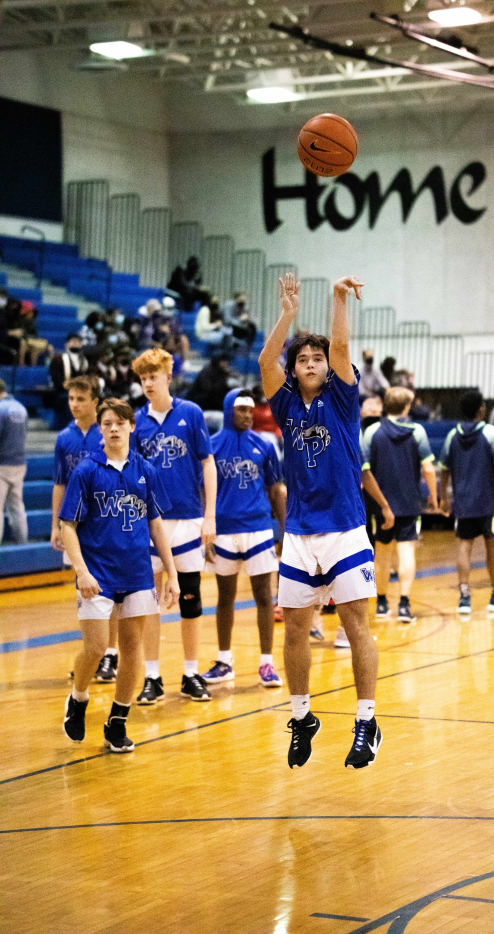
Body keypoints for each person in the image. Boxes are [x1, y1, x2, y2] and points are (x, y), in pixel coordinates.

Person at [259, 272, 382, 771]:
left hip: (346, 528)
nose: (310, 364)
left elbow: (341, 343)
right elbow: (267, 360)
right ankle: (302, 716)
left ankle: (367, 720)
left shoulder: (342, 397)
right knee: (293, 631)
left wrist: (336, 300)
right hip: (301, 534)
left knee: (356, 627)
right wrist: (287, 315)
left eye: (317, 359)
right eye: (302, 360)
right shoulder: (286, 402)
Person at [60, 397, 180, 752]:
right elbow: (67, 526)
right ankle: (78, 698)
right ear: (100, 429)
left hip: (138, 574)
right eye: (107, 423)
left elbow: (156, 524)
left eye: (119, 422)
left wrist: (171, 572)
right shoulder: (86, 470)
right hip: (97, 573)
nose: (113, 428)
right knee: (96, 648)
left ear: (132, 427)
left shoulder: (145, 470)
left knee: (132, 651)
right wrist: (81, 571)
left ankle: (118, 721)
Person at [131, 348, 217, 704]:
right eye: (143, 378)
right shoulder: (137, 420)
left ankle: (191, 672)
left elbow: (208, 463)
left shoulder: (190, 413)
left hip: (189, 518)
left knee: (190, 599)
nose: (148, 383)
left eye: (154, 376)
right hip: (152, 523)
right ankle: (152, 676)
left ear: (168, 376)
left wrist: (210, 515)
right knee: (149, 601)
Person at [202, 388, 287, 688]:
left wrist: (284, 531)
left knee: (265, 597)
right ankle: (224, 661)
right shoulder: (210, 447)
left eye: (251, 411)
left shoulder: (265, 446)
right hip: (223, 531)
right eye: (242, 410)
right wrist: (205, 529)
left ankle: (267, 664)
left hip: (259, 529)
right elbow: (203, 491)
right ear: (228, 410)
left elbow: (276, 489)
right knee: (225, 597)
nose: (248, 416)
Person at [50, 375, 118, 681]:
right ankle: (93, 652)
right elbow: (60, 484)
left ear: (95, 401)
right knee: (87, 593)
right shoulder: (64, 437)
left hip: (106, 526)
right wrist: (56, 525)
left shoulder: (108, 433)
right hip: (77, 527)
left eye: (80, 399)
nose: (74, 405)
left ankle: (111, 655)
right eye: (71, 399)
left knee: (112, 593)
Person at [439, 389, 494, 616]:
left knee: (464, 547)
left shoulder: (451, 436)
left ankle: (464, 597)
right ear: (481, 409)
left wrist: (444, 497)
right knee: (493, 548)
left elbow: (444, 470)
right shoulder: (492, 433)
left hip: (464, 503)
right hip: (490, 504)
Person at [361, 387, 438, 623]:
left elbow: (363, 469)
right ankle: (404, 605)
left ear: (385, 406)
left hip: (380, 503)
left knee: (381, 553)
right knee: (406, 551)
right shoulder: (418, 432)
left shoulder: (372, 431)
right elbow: (428, 469)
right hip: (409, 502)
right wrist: (434, 496)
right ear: (406, 407)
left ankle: (381, 603)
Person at [0, 377, 28, 545]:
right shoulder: (21, 408)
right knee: (17, 507)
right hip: (19, 462)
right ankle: (22, 543)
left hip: (2, 464)